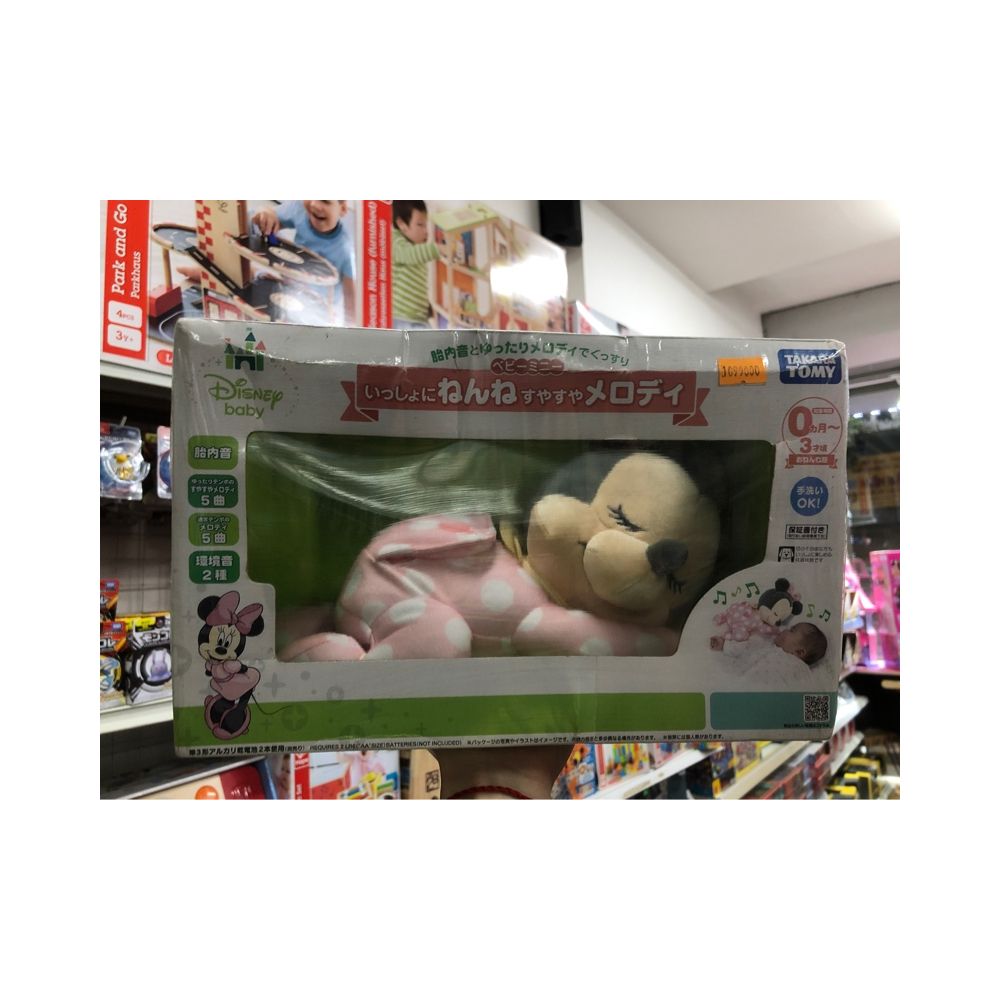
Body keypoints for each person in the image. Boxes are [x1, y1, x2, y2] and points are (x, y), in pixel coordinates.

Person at [252, 200, 357, 325]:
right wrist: (266, 214)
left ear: (343, 209)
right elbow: (270, 215)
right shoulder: (299, 208)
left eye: (325, 201)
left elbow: (351, 298)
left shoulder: (346, 250)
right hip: (287, 291)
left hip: (318, 311)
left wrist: (349, 328)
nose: (314, 204)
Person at [709, 621, 828, 682]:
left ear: (799, 652)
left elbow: (802, 690)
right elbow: (746, 648)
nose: (785, 630)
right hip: (737, 678)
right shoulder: (767, 643)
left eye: (792, 630)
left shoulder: (800, 669)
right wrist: (725, 645)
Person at [391, 200, 442, 329]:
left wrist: (425, 305)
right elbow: (409, 254)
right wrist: (437, 249)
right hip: (401, 316)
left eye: (426, 225)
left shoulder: (415, 248)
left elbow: (416, 284)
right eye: (420, 225)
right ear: (402, 224)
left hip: (418, 318)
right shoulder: (395, 240)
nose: (426, 231)